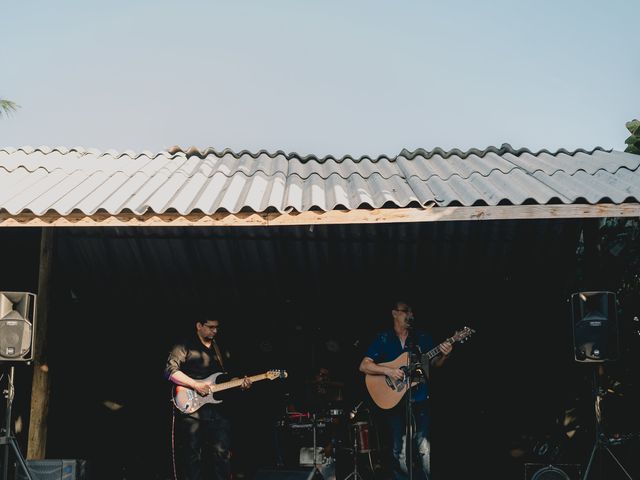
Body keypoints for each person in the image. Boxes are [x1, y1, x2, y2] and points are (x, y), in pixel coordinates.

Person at [358, 301, 453, 480]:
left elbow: (434, 364)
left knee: (424, 448)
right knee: (399, 450)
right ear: (394, 313)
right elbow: (364, 365)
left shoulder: (421, 338)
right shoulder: (383, 338)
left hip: (420, 398)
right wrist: (389, 371)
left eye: (412, 312)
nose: (410, 315)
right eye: (406, 311)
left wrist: (445, 354)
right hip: (394, 402)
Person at [165, 314, 252, 480]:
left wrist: (238, 382)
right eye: (210, 327)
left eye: (217, 327)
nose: (215, 331)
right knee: (192, 456)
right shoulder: (184, 345)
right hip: (191, 409)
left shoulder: (220, 349)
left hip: (217, 409)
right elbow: (170, 372)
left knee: (222, 454)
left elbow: (225, 377)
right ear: (199, 325)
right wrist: (195, 385)